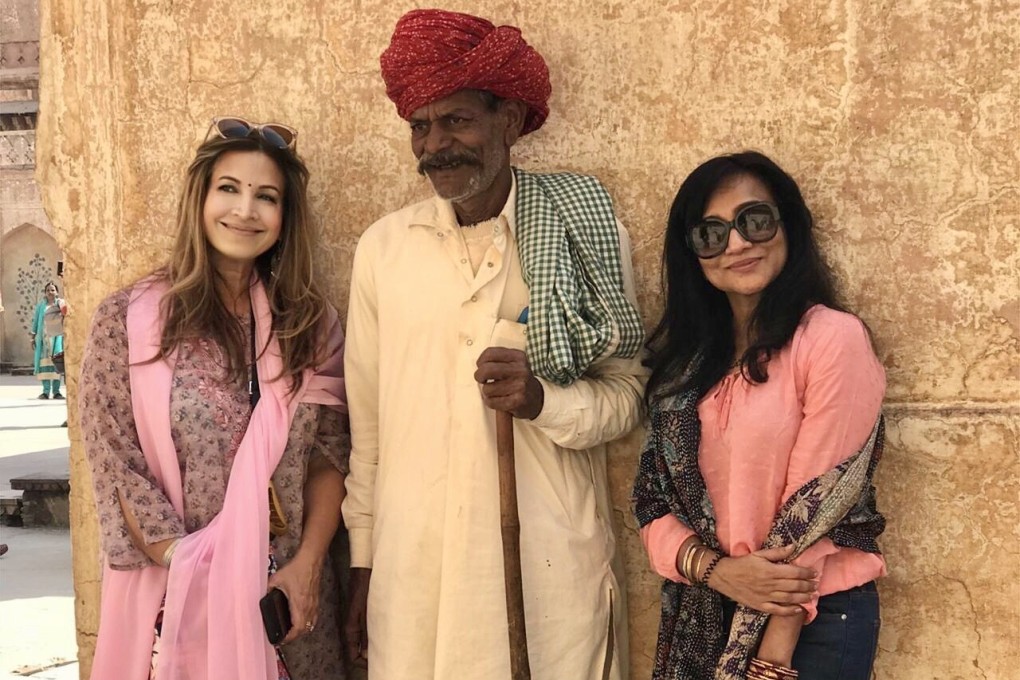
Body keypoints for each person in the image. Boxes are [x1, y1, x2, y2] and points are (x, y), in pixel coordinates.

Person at [341, 9, 647, 679]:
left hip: (546, 574)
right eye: (420, 126)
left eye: (456, 120)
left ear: (508, 120)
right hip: (413, 577)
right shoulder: (384, 250)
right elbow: (369, 429)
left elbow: (626, 397)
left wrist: (542, 401)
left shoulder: (580, 228)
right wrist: (363, 563)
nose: (435, 145)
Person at [79, 118, 349, 680]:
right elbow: (117, 464)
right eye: (229, 188)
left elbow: (329, 456)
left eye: (266, 196)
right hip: (178, 602)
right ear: (199, 198)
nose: (245, 210)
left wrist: (307, 566)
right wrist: (196, 570)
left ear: (285, 216)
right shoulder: (128, 321)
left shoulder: (310, 325)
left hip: (286, 604)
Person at [632, 151, 887, 680]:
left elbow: (815, 507)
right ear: (692, 253)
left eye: (755, 220)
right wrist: (717, 572)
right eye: (711, 233)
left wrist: (772, 655)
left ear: (787, 224)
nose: (737, 244)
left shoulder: (830, 339)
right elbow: (651, 503)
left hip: (811, 624)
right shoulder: (686, 366)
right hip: (706, 609)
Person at [31, 281, 67, 399]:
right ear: (45, 293)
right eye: (48, 290)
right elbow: (36, 321)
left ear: (57, 292)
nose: (50, 292)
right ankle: (45, 391)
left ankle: (56, 392)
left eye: (52, 290)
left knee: (57, 364)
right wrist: (32, 337)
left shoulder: (60, 304)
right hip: (44, 341)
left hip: (57, 339)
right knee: (44, 365)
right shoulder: (41, 306)